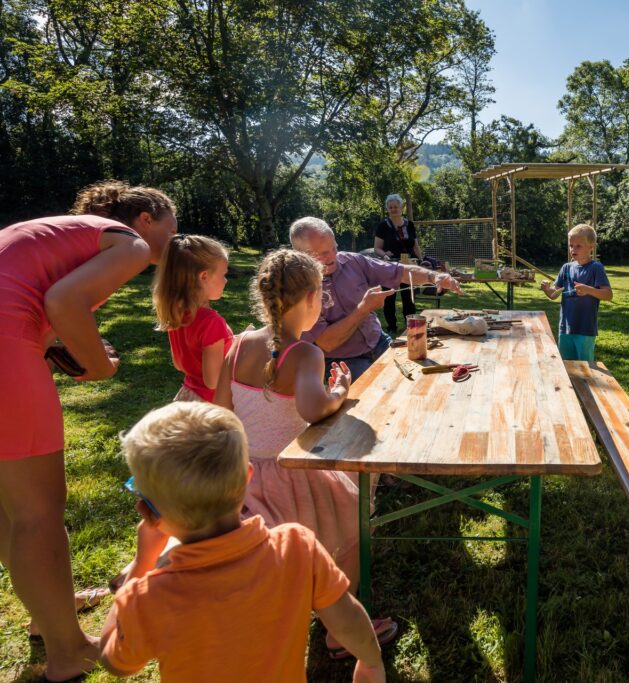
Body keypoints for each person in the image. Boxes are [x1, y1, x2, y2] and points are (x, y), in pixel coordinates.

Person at [0, 180, 177, 681]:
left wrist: (71, 353)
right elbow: (63, 302)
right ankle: (68, 650)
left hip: (10, 338)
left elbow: (46, 308)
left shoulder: (61, 234)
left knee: (9, 506)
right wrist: (99, 367)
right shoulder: (130, 243)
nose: (174, 239)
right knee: (38, 514)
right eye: (172, 226)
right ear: (145, 219)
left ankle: (47, 612)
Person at [99, 402, 386, 682]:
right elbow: (347, 621)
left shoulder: (148, 598)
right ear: (248, 477)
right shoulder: (297, 547)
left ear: (149, 513)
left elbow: (113, 661)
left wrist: (141, 562)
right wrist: (371, 663)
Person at [212, 248, 397, 658]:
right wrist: (339, 392)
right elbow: (313, 409)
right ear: (313, 298)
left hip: (244, 474)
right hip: (293, 471)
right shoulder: (306, 353)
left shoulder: (238, 345)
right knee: (349, 534)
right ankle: (338, 628)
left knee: (273, 558)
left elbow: (221, 410)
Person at [288, 217, 463, 381]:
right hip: (340, 360)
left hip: (379, 341)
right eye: (322, 254)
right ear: (302, 255)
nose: (332, 256)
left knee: (414, 379)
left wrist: (434, 277)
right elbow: (327, 342)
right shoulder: (299, 289)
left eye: (334, 248)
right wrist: (363, 309)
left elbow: (399, 271)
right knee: (379, 395)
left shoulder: (353, 261)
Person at [152, 235, 233, 402]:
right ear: (203, 277)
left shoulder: (177, 313)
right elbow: (213, 382)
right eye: (223, 274)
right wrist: (241, 348)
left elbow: (179, 364)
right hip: (211, 405)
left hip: (188, 396)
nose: (226, 281)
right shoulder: (211, 322)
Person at [540, 223, 613, 362]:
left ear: (591, 247)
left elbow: (608, 295)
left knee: (585, 368)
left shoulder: (595, 268)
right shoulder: (566, 268)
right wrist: (547, 290)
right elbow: (554, 294)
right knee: (567, 367)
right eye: (571, 245)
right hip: (566, 328)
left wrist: (588, 290)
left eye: (578, 246)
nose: (573, 249)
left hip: (585, 329)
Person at [374, 194, 422, 335]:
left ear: (402, 207)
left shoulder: (410, 225)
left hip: (408, 265)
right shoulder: (383, 226)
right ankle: (392, 326)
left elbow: (415, 246)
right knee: (390, 297)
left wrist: (421, 260)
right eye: (391, 207)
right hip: (390, 266)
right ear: (387, 209)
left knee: (409, 296)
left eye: (396, 206)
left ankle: (411, 324)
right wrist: (384, 255)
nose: (394, 209)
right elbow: (377, 248)